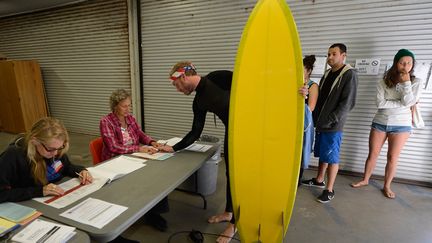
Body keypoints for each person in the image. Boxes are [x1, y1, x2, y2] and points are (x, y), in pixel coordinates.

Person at [162, 61, 235, 243]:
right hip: (232, 133)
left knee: (241, 178)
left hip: (250, 132)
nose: (177, 90)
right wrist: (173, 148)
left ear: (183, 76)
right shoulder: (199, 102)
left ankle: (234, 225)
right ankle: (229, 212)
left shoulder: (218, 78)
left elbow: (253, 83)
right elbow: (195, 132)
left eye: (176, 84)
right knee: (231, 174)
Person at [351, 49, 422, 199]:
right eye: (402, 62)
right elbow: (380, 103)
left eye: (409, 63)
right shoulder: (383, 81)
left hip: (402, 125)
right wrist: (401, 103)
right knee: (373, 154)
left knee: (392, 158)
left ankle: (387, 186)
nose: (405, 66)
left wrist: (406, 83)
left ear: (413, 64)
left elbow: (409, 102)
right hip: (380, 122)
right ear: (396, 63)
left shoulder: (416, 82)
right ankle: (365, 180)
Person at [100, 88, 169, 232]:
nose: (128, 109)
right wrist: (137, 149)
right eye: (124, 106)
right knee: (145, 178)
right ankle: (147, 212)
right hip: (116, 160)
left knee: (157, 176)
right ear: (115, 106)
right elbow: (113, 147)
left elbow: (140, 134)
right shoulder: (106, 122)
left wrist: (151, 142)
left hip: (133, 156)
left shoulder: (130, 118)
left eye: (129, 105)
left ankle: (153, 213)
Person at [301, 43, 358, 203]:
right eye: (328, 54)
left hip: (333, 125)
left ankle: (329, 189)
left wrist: (330, 120)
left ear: (343, 55)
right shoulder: (328, 73)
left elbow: (348, 103)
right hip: (322, 122)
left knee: (332, 157)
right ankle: (319, 179)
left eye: (334, 54)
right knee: (324, 154)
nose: (330, 57)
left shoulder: (349, 74)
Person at [0, 117, 92, 203]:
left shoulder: (55, 150)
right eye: (50, 149)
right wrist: (40, 191)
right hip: (26, 204)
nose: (55, 153)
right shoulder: (13, 156)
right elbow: (2, 194)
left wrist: (80, 171)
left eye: (60, 147)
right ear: (34, 141)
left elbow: (66, 167)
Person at [299, 55, 319, 185]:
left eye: (301, 69)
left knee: (301, 150)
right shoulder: (294, 83)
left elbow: (310, 107)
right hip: (291, 122)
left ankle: (297, 179)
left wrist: (302, 97)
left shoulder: (312, 86)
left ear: (308, 71)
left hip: (304, 124)